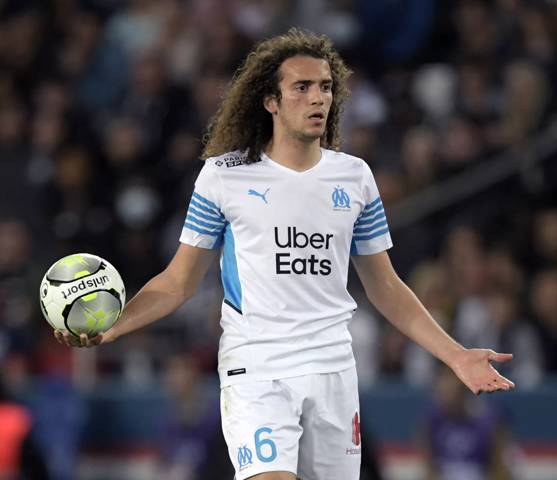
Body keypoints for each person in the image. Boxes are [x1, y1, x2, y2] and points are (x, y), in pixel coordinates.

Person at [55, 28, 514, 480]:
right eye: (302, 88)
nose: (318, 98)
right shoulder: (223, 177)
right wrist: (116, 326)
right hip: (256, 367)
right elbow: (178, 282)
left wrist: (455, 356)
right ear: (270, 101)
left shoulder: (354, 178)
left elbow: (387, 287)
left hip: (334, 369)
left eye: (325, 87)